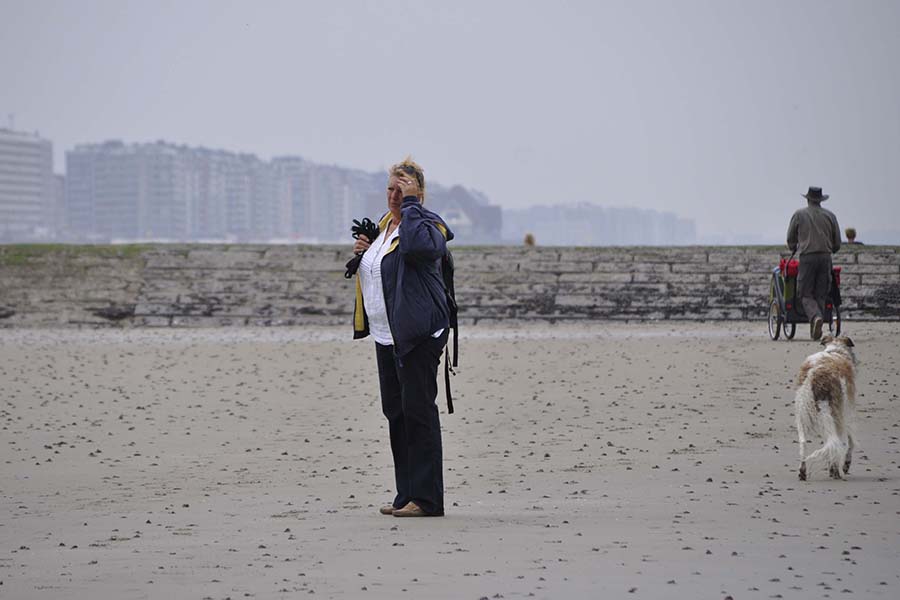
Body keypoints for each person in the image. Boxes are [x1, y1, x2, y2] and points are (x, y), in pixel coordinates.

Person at [351, 157, 454, 518]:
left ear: (419, 193)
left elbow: (418, 250)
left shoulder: (428, 225)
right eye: (391, 189)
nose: (395, 195)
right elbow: (382, 271)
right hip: (386, 334)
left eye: (403, 189)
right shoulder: (384, 226)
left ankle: (427, 500)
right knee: (396, 413)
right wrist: (363, 253)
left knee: (418, 413)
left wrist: (411, 207)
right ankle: (406, 493)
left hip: (418, 334)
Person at [786, 186, 841, 340]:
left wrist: (793, 247)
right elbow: (837, 243)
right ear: (821, 200)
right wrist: (830, 249)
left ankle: (816, 317)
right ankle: (816, 328)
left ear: (808, 199)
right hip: (825, 258)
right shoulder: (830, 216)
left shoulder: (799, 215)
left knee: (805, 293)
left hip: (807, 258)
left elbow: (791, 238)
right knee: (821, 294)